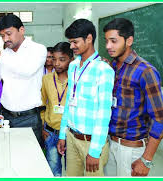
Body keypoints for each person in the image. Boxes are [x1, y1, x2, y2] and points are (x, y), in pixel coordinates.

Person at [0, 14, 47, 144]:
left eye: (8, 34)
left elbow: (26, 70)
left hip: (28, 118)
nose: (5, 39)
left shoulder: (38, 49)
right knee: (7, 156)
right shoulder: (5, 54)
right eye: (2, 36)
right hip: (5, 117)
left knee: (29, 159)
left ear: (21, 30)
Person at [103, 18, 163, 176]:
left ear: (129, 40)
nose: (108, 46)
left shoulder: (146, 71)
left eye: (113, 41)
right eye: (107, 41)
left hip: (132, 149)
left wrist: (146, 159)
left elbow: (159, 118)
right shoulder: (112, 67)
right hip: (110, 143)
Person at [57, 19, 115, 176]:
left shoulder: (103, 69)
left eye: (75, 42)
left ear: (89, 39)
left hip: (91, 142)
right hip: (72, 137)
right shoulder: (73, 66)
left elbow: (104, 114)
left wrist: (95, 151)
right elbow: (69, 101)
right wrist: (63, 135)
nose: (71, 46)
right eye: (70, 42)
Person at [41, 42, 73, 176]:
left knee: (72, 171)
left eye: (62, 59)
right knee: (54, 172)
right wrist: (43, 127)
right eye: (54, 59)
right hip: (51, 132)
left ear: (71, 59)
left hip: (70, 134)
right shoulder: (46, 79)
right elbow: (42, 104)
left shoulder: (75, 79)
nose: (57, 63)